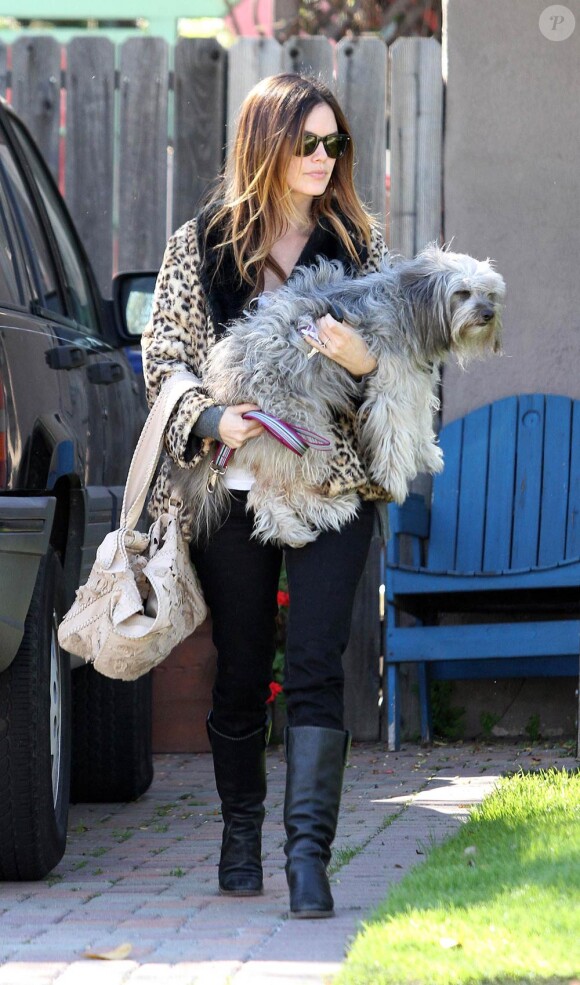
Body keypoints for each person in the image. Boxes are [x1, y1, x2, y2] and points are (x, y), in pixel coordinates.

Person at [142, 73, 390, 919]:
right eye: (308, 143)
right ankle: (240, 829)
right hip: (234, 486)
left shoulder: (358, 243)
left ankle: (309, 859)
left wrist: (365, 363)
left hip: (334, 483)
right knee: (243, 668)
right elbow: (163, 354)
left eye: (335, 144)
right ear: (266, 145)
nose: (324, 158)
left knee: (319, 664)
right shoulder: (202, 245)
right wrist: (212, 415)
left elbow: (403, 358)